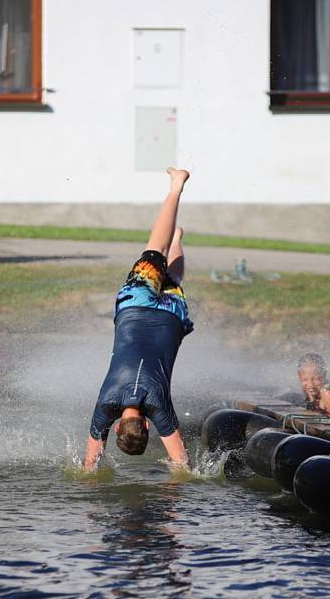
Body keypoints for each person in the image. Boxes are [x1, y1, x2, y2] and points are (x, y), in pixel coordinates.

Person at [83, 167, 194, 472]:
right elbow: (90, 461)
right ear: (118, 426)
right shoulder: (107, 403)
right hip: (135, 306)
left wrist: (172, 508)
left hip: (172, 316)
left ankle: (178, 239)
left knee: (172, 278)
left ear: (148, 425)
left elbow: (181, 462)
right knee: (153, 250)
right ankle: (176, 186)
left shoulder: (159, 406)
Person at [294, 353, 330, 424]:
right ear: (299, 376)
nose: (310, 385)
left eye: (315, 379)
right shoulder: (312, 392)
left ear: (324, 375)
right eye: (305, 380)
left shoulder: (327, 394)